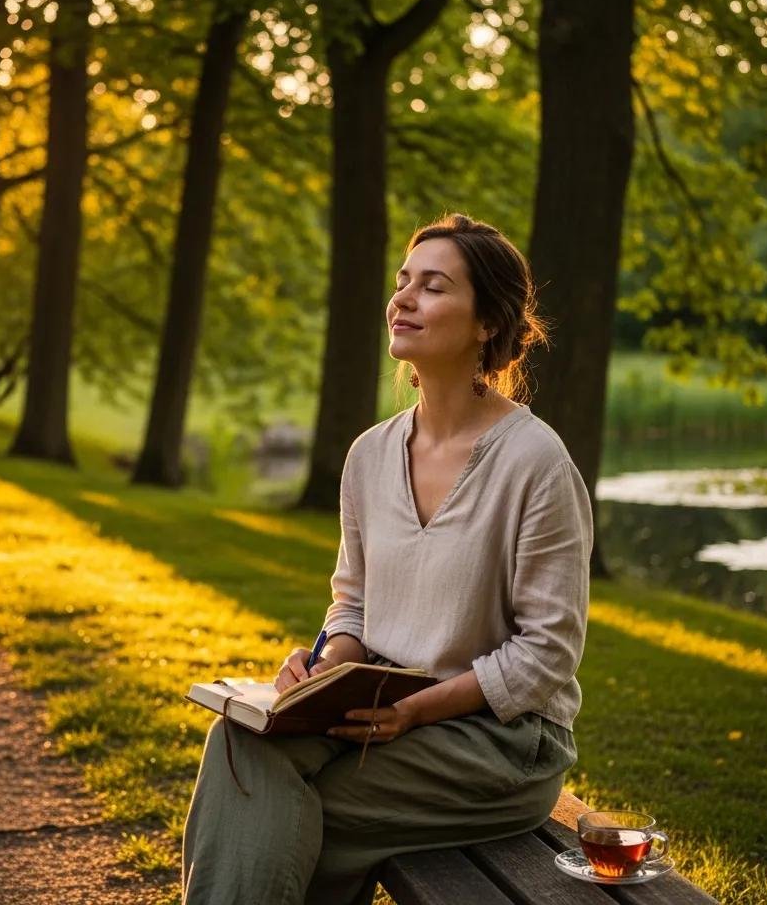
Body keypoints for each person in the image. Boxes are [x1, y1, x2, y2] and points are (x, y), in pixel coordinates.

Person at [181, 213, 593, 905]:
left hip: (500, 741)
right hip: (376, 709)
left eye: (432, 287)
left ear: (487, 323)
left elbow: (547, 653)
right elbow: (354, 605)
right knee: (240, 745)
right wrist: (326, 668)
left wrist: (420, 711)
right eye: (403, 282)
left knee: (273, 809)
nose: (402, 300)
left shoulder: (535, 462)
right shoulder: (369, 455)